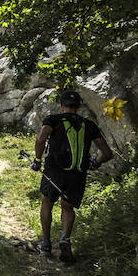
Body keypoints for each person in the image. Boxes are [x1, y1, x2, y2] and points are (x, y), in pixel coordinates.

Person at [33, 90, 113, 262]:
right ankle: (65, 239)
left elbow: (40, 139)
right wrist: (95, 163)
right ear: (78, 107)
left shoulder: (53, 120)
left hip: (54, 170)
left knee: (47, 202)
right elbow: (106, 152)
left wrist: (37, 160)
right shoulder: (89, 125)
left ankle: (46, 244)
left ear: (61, 106)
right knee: (67, 207)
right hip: (77, 174)